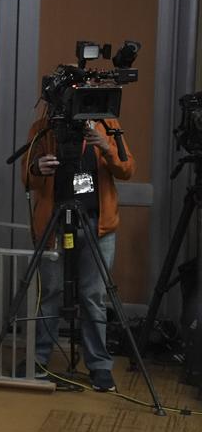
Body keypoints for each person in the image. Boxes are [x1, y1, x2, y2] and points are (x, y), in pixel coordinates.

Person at [23, 111, 135, 392]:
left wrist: (105, 146)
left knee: (93, 296)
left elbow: (127, 170)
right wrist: (37, 167)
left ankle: (99, 366)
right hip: (54, 222)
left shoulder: (108, 126)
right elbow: (28, 179)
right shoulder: (43, 128)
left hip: (98, 225)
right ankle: (37, 360)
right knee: (49, 292)